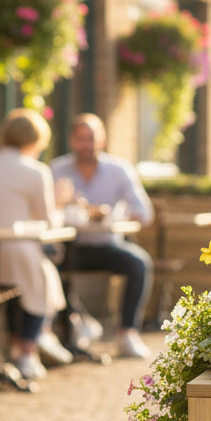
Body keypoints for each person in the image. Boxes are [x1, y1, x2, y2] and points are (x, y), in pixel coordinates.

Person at [0, 109, 67, 380]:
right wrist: (61, 202)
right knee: (44, 277)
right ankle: (28, 348)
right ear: (35, 140)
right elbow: (49, 222)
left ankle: (15, 346)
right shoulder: (36, 171)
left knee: (15, 283)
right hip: (14, 253)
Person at [49, 113, 154, 358]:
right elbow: (45, 211)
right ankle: (77, 322)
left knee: (139, 263)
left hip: (107, 245)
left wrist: (118, 216)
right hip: (69, 247)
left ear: (102, 140)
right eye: (81, 138)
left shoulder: (119, 170)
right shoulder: (57, 169)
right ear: (72, 140)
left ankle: (126, 333)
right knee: (48, 267)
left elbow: (145, 213)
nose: (86, 144)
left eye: (91, 138)